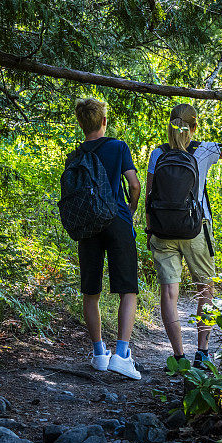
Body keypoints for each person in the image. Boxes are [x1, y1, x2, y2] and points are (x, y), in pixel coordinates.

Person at [145, 93, 222, 369]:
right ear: (194, 127)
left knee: (169, 293)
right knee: (205, 289)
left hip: (162, 233)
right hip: (196, 230)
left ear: (169, 125)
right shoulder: (204, 150)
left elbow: (149, 195)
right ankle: (202, 353)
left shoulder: (157, 153)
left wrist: (150, 229)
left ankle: (178, 357)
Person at [68, 97, 142, 379]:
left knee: (91, 291)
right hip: (117, 220)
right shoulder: (118, 147)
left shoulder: (75, 156)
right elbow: (133, 184)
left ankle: (99, 354)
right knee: (127, 289)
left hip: (88, 225)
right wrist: (130, 207)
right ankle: (121, 355)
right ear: (103, 121)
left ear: (81, 123)